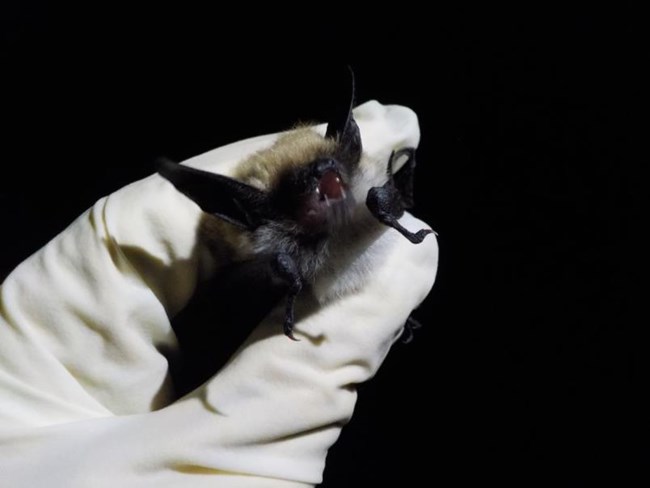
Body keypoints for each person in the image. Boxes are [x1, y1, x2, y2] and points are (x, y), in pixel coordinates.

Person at [0, 100, 438, 487]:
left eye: (330, 171)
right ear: (261, 213)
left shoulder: (370, 195)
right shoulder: (264, 259)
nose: (324, 183)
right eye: (301, 189)